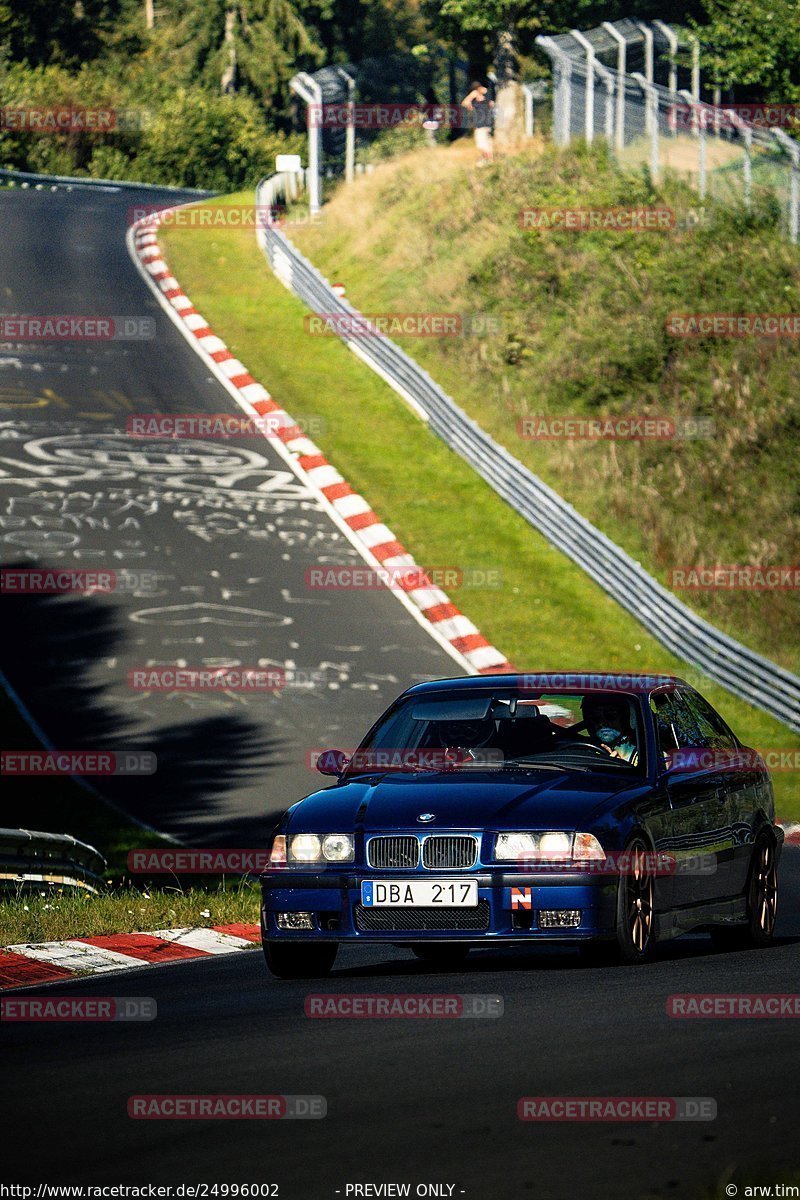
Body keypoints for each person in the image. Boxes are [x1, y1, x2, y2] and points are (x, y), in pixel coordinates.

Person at [581, 696, 639, 763]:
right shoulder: (586, 751)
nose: (602, 723)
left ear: (624, 720)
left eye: (610, 716)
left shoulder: (641, 756)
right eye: (596, 718)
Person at [461, 80, 494, 163]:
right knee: (487, 143)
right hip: (487, 124)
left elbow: (464, 103)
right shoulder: (485, 99)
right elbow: (465, 104)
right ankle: (488, 160)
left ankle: (488, 157)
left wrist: (472, 95)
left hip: (481, 125)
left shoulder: (480, 100)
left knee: (481, 145)